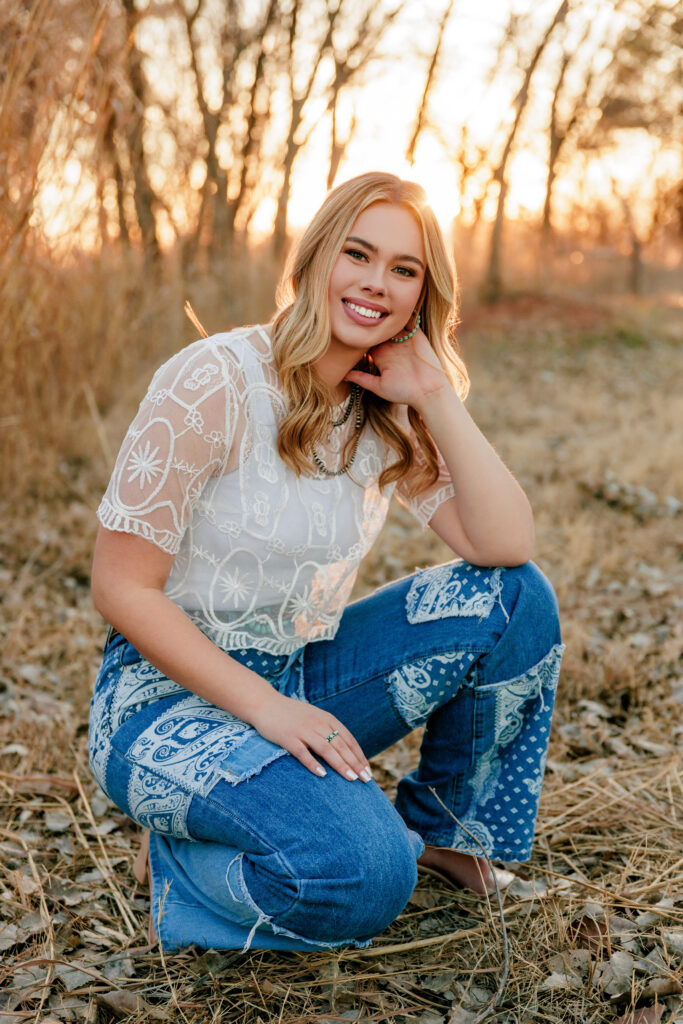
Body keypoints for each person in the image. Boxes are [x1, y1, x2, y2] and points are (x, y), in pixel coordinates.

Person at [88, 171, 564, 954]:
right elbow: (120, 586)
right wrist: (267, 711)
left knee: (515, 599)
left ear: (421, 293)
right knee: (365, 876)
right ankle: (182, 863)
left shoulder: (378, 408)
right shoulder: (214, 380)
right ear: (315, 259)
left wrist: (434, 396)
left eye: (404, 270)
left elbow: (505, 545)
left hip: (300, 672)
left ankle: (445, 836)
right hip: (159, 700)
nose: (376, 282)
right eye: (358, 254)